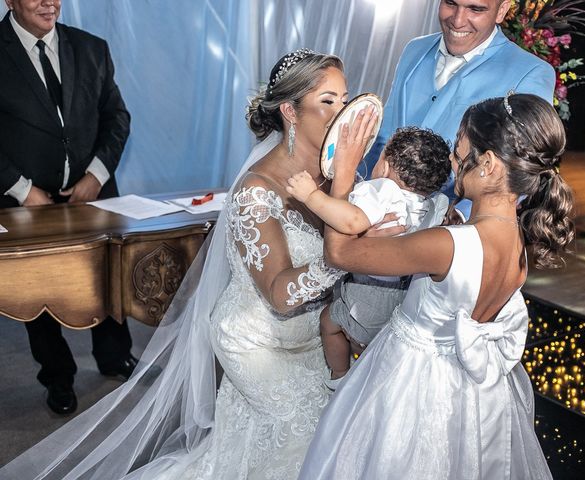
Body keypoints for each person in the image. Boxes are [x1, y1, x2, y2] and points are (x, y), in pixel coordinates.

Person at [0, 49, 353, 480]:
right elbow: (280, 294)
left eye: (345, 99)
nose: (343, 113)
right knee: (313, 440)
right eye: (328, 101)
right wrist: (343, 258)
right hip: (259, 343)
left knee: (290, 441)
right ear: (289, 111)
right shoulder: (256, 192)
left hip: (316, 341)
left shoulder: (333, 174)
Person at [299, 93, 574, 478]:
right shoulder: (520, 242)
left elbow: (340, 253)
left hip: (412, 384)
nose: (451, 162)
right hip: (473, 395)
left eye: (459, 155)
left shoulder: (446, 244)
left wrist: (343, 176)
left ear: (489, 165)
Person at [0, 0, 134, 415]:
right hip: (23, 200)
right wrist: (24, 191)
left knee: (105, 273)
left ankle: (114, 357)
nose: (50, 3)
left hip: (90, 193)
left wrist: (95, 176)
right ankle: (57, 377)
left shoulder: (92, 48)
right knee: (39, 290)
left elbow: (117, 118)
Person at [286, 126, 451, 387]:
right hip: (402, 305)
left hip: (366, 300)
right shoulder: (433, 204)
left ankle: (339, 377)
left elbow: (351, 221)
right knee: (375, 361)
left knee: (328, 322)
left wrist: (312, 196)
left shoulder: (383, 191)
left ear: (385, 167)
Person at [366, 0, 556, 220]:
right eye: (450, 3)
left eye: (475, 9)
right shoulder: (414, 49)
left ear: (501, 11)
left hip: (455, 231)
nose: (457, 20)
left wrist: (457, 218)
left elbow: (522, 169)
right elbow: (383, 137)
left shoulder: (531, 72)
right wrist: (367, 195)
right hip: (380, 211)